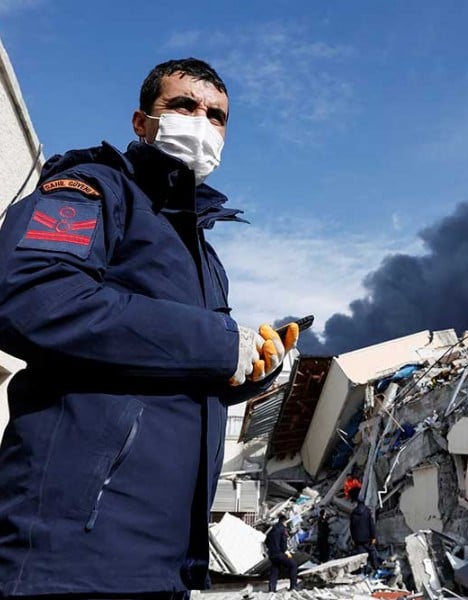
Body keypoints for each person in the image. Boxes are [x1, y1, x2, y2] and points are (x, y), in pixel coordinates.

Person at [0, 58, 299, 598]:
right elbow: (33, 296)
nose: (201, 122)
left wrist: (248, 371)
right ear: (141, 122)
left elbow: (164, 371)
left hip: (165, 563)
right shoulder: (92, 190)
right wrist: (219, 345)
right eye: (183, 105)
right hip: (74, 555)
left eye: (216, 115)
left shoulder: (203, 256)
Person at [348, 487, 380, 571]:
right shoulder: (367, 512)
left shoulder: (353, 514)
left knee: (361, 558)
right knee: (373, 554)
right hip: (368, 539)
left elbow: (352, 528)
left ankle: (364, 572)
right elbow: (371, 525)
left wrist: (354, 539)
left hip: (358, 540)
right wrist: (373, 537)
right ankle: (376, 569)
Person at [265, 514, 298, 592]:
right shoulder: (283, 529)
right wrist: (287, 552)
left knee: (275, 569)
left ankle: (272, 589)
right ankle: (293, 587)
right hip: (279, 554)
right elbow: (283, 543)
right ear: (284, 522)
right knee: (293, 565)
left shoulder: (272, 529)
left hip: (272, 554)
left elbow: (266, 541)